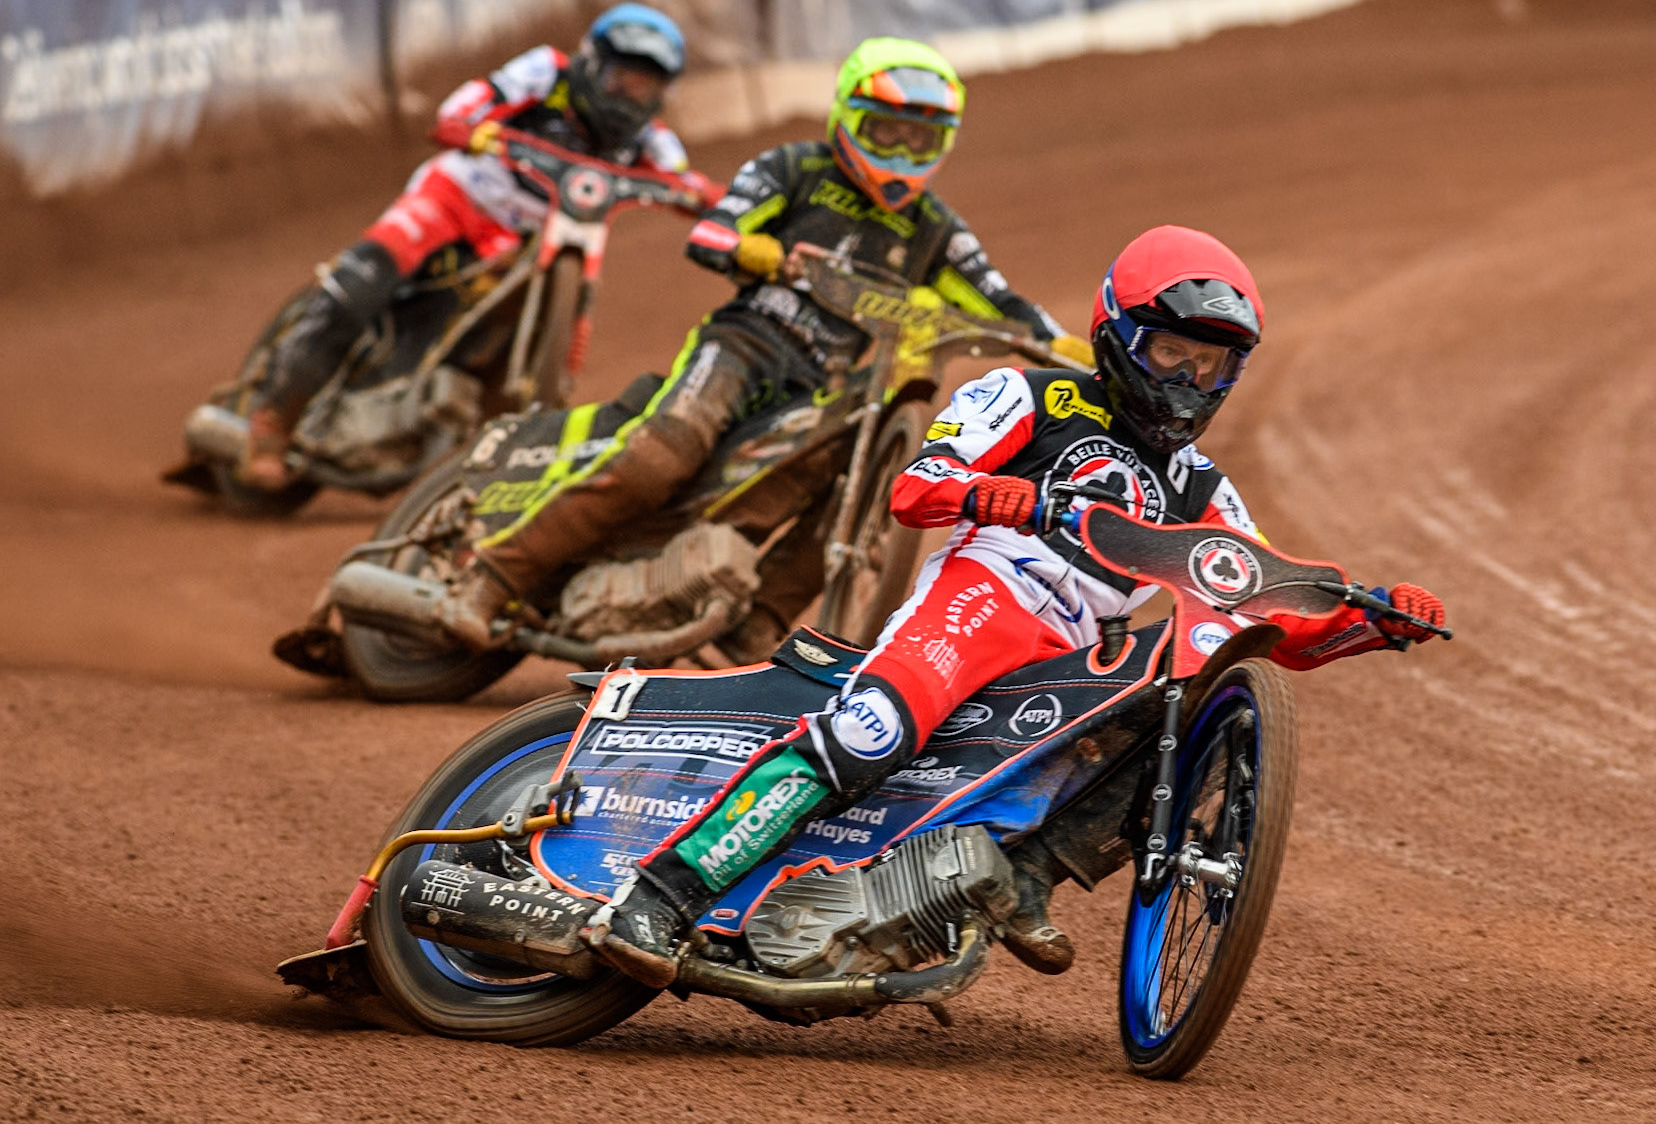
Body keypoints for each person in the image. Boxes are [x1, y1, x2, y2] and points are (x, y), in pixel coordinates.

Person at [582, 223, 1449, 988]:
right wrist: (1000, 498)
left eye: (1211, 363)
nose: (1188, 379)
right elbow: (915, 488)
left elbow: (1260, 596)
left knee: (1179, 723)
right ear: (1117, 336)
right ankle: (653, 900)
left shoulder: (1203, 487)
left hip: (1076, 653)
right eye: (1171, 353)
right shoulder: (1032, 395)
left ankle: (1020, 875)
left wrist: (1369, 623)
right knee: (871, 732)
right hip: (984, 596)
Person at [442, 36, 1065, 661]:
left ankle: (757, 626)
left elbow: (1002, 303)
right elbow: (714, 230)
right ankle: (493, 578)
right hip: (747, 344)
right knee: (663, 452)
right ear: (847, 117)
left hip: (833, 386)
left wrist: (1067, 346)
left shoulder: (936, 229)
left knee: (857, 480)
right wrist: (751, 249)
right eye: (886, 133)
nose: (902, 155)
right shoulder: (793, 169)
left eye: (920, 141)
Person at [239, 2, 712, 490]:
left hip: (531, 243)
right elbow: (471, 101)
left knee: (519, 344)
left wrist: (721, 204)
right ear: (592, 62)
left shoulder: (651, 142)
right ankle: (273, 420)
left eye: (645, 86)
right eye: (621, 77)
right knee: (366, 279)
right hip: (458, 198)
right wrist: (465, 125)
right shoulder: (547, 73)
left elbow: (688, 184)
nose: (628, 96)